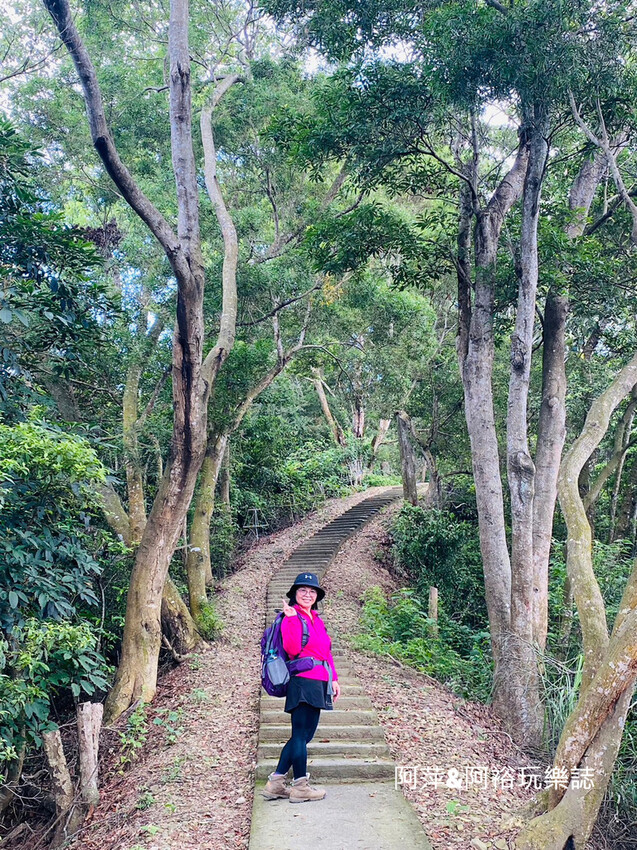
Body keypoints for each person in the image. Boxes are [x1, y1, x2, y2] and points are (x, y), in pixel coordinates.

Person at [262, 571, 341, 803]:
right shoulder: (292, 617)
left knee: (304, 735)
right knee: (299, 735)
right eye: (303, 591)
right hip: (302, 680)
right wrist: (291, 619)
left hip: (319, 680)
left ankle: (276, 783)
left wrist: (334, 679)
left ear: (317, 596)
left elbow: (327, 653)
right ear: (295, 594)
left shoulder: (316, 619)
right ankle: (300, 787)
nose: (308, 594)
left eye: (312, 591)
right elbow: (294, 649)